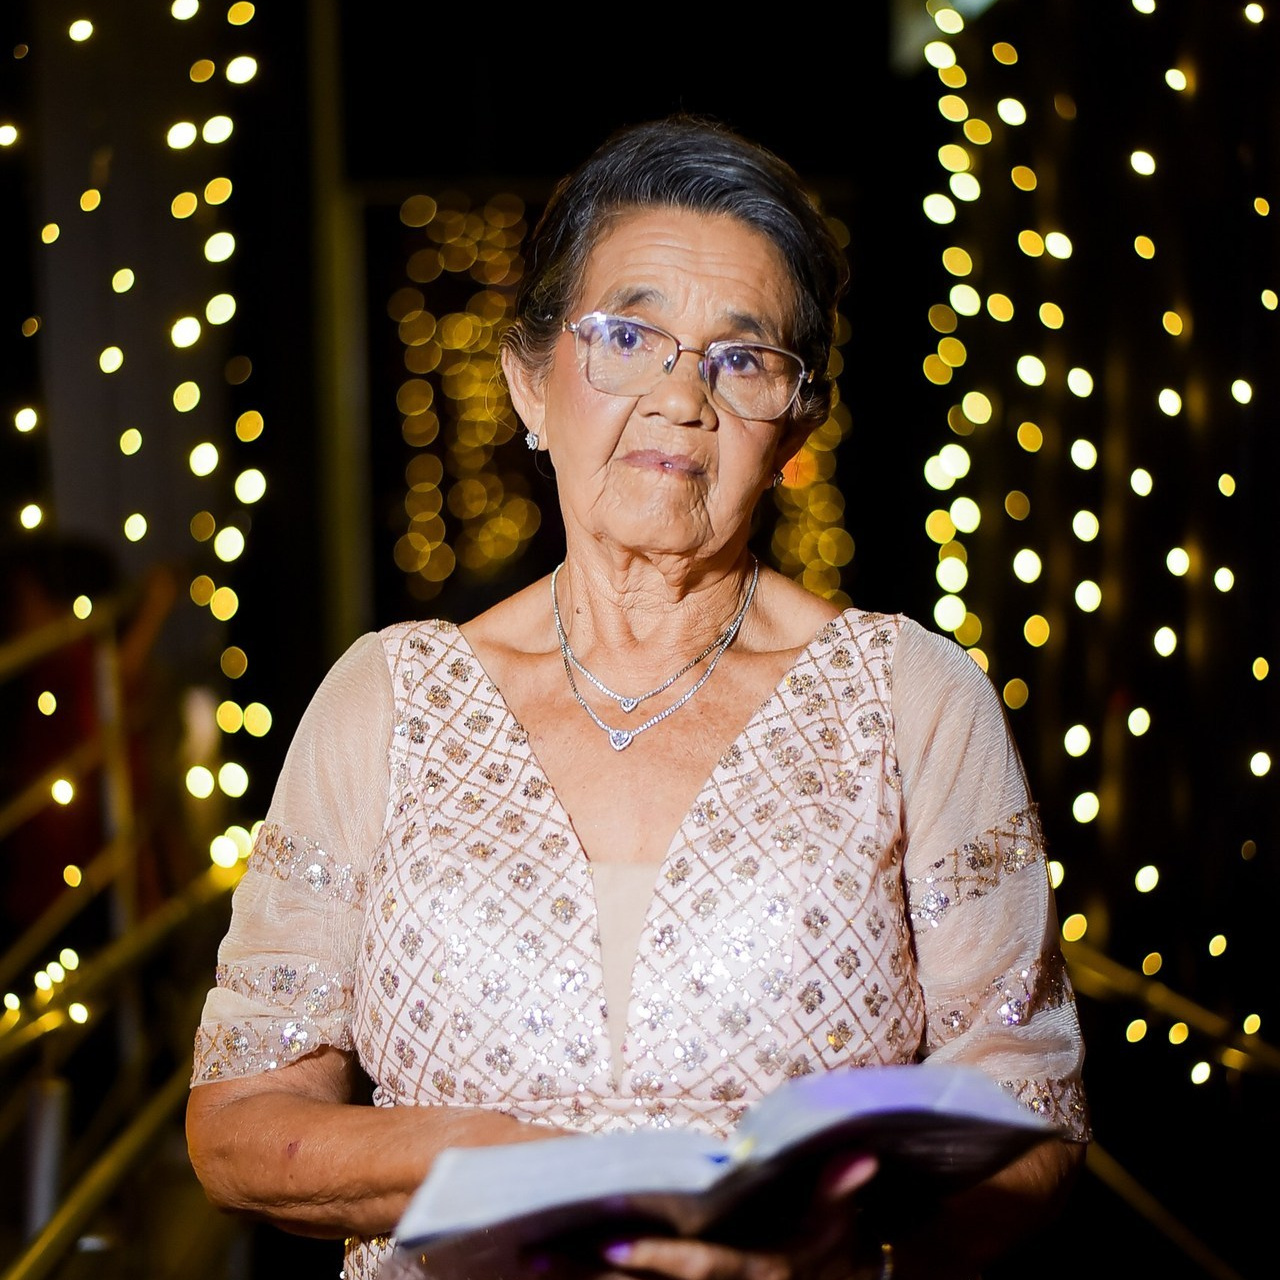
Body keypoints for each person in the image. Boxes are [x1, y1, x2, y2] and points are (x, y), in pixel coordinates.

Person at [186, 117, 1088, 1279]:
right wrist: (500, 1160)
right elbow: (242, 1119)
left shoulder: (912, 698)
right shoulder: (386, 700)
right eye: (628, 336)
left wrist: (833, 1241)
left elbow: (1026, 1095)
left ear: (797, 416)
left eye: (741, 358)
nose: (681, 397)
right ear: (528, 379)